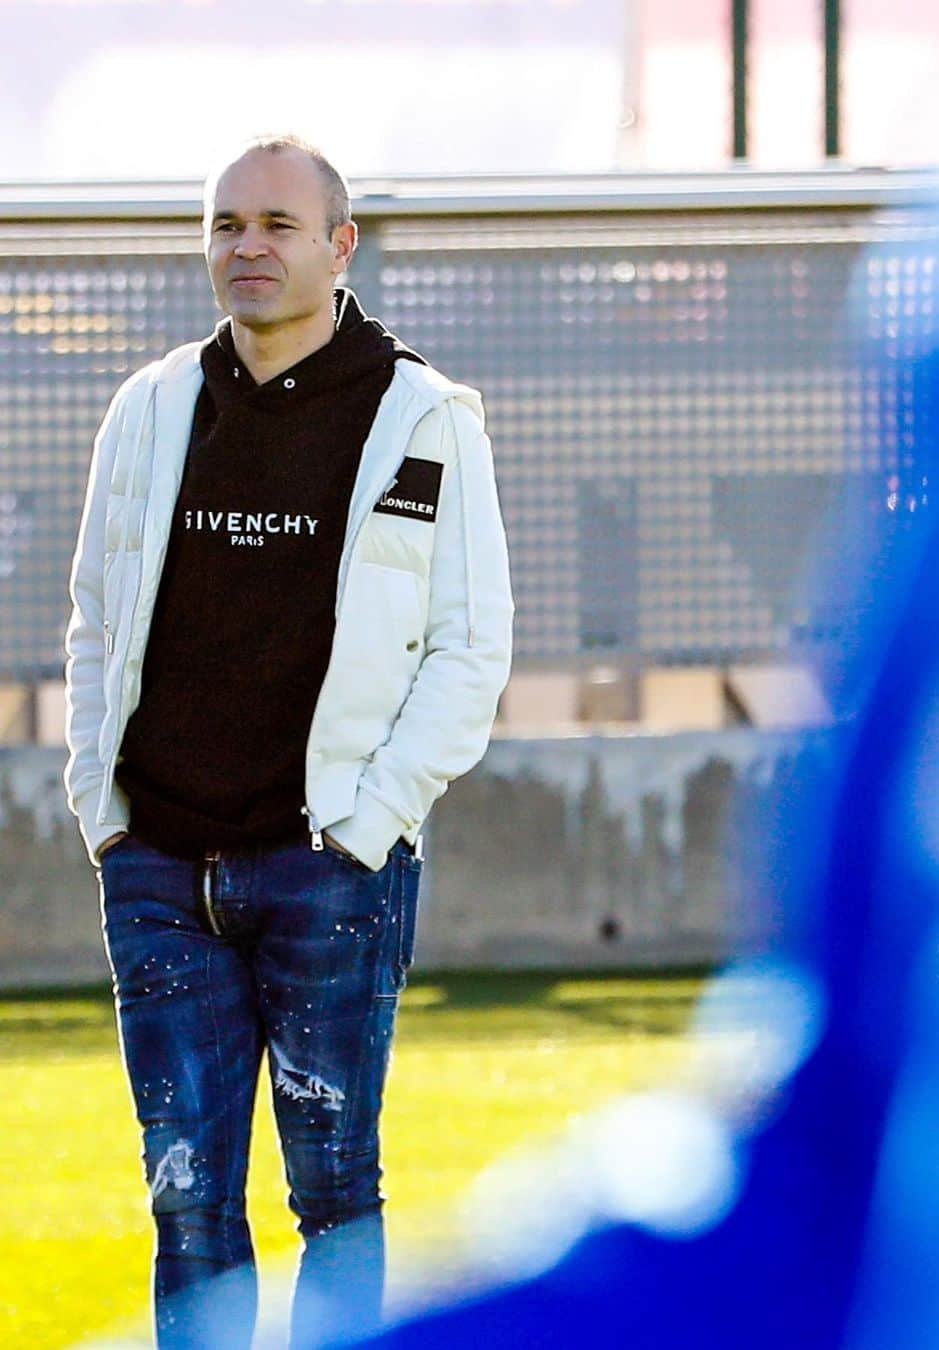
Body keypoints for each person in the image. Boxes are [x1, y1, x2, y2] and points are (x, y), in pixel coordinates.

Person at [62, 134, 514, 1349]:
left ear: (339, 245)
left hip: (330, 870)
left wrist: (368, 824)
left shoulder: (423, 417)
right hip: (158, 869)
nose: (246, 247)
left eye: (275, 224)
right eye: (224, 225)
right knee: (188, 1212)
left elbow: (470, 653)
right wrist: (102, 809)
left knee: (337, 1203)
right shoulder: (152, 407)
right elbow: (96, 620)